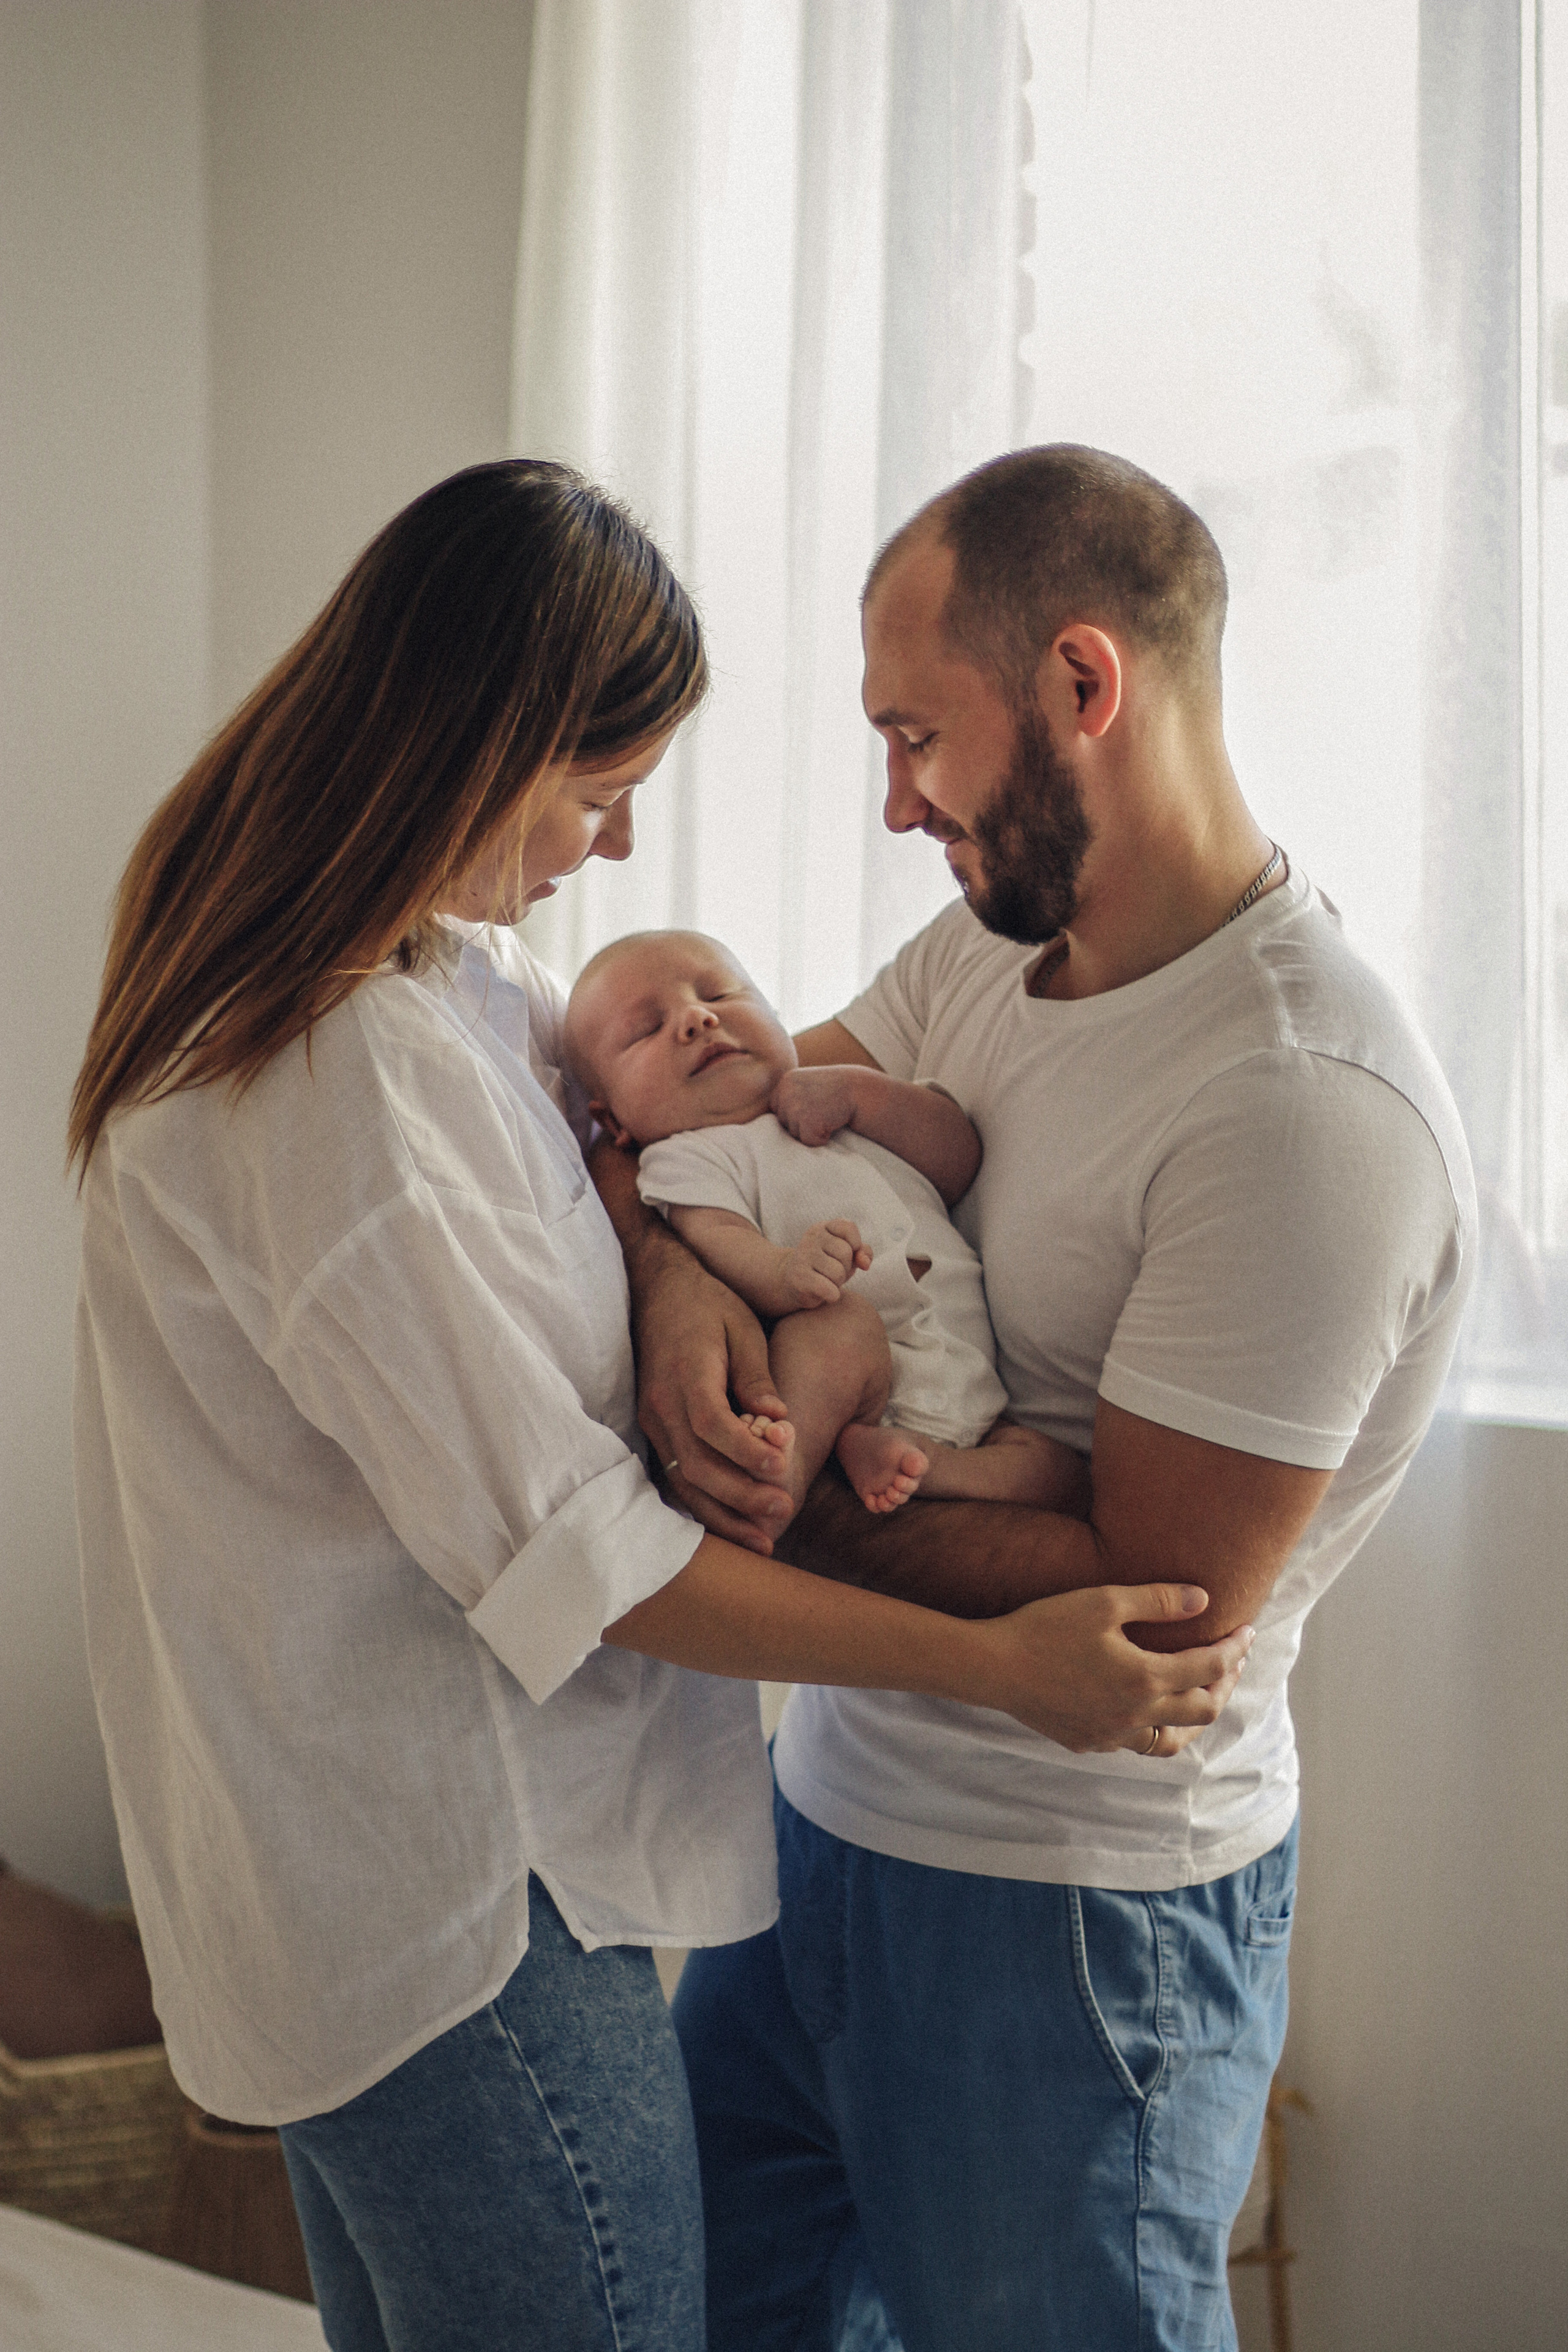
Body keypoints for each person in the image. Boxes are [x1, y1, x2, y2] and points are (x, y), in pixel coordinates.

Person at [67, 460, 1253, 2352]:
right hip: (466, 1913)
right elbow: (587, 1568)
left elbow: (628, 1153)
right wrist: (1003, 1664)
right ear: (476, 743)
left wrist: (689, 1260)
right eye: (595, 791)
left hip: (430, 1888)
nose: (612, 850)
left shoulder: (454, 984)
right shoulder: (328, 1081)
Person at [594, 446, 1477, 2352]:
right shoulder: (999, 953)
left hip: (1068, 1929)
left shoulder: (1300, 1104)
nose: (894, 798)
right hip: (818, 1833)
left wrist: (746, 1497)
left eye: (918, 735)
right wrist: (680, 1294)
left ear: (1082, 685)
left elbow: (1142, 1595)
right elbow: (705, 1138)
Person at [564, 927, 1086, 1519]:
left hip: (977, 1386)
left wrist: (864, 1096)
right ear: (614, 1122)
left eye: (720, 996)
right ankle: (785, 1472)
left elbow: (958, 1160)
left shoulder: (840, 1094)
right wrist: (785, 1271)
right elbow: (720, 1240)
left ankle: (925, 1463)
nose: (695, 1020)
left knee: (1062, 1473)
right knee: (838, 1328)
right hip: (855, 1383)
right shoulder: (685, 1157)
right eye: (646, 1029)